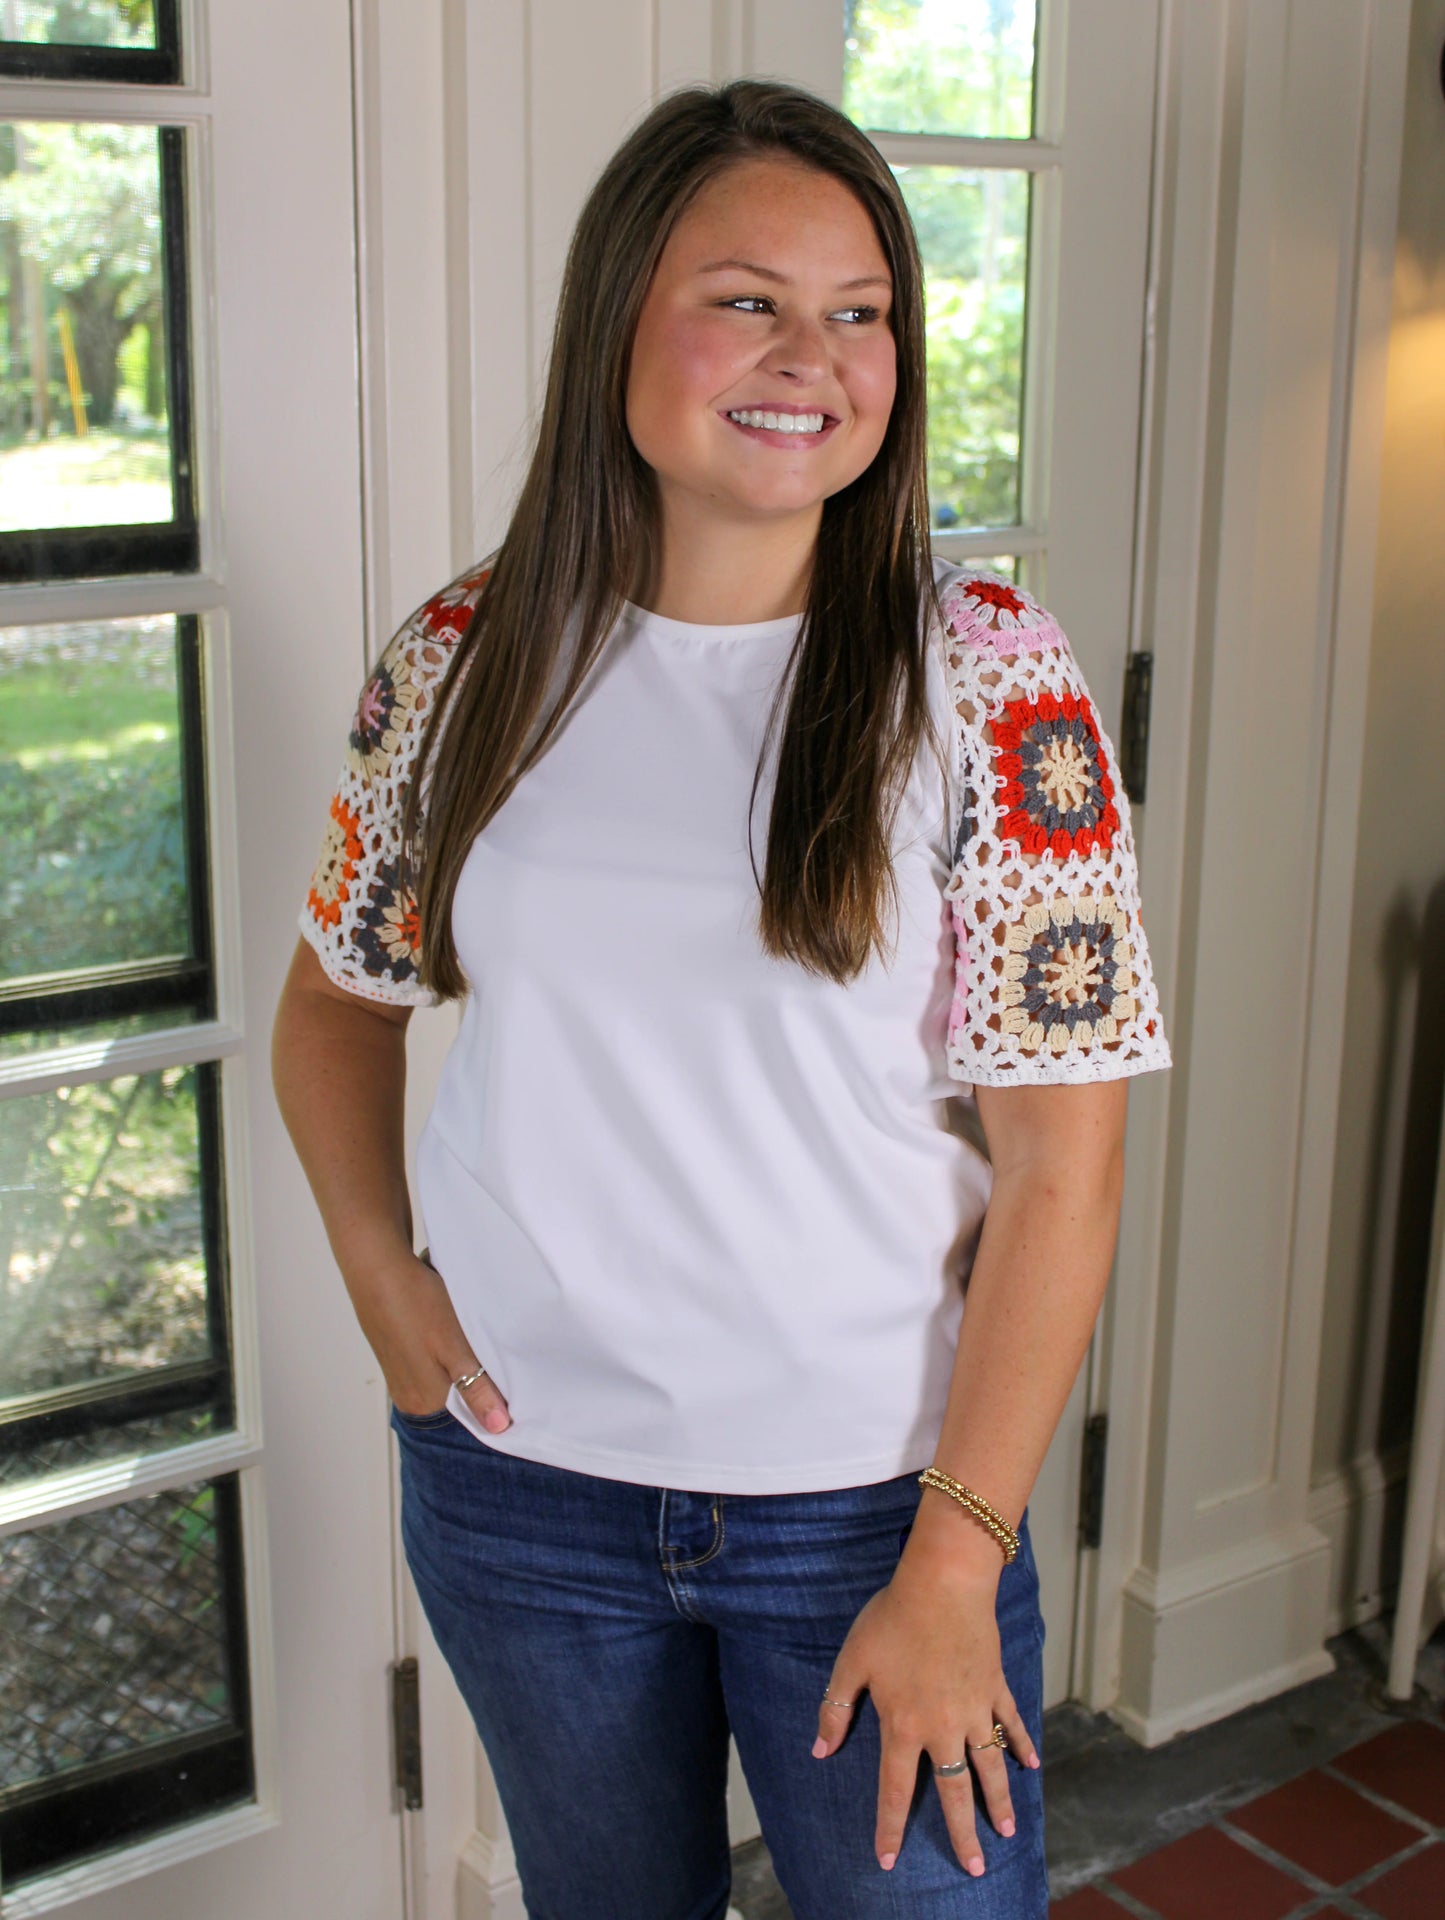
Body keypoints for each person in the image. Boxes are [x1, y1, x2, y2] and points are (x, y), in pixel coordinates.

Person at [272, 78, 1170, 1920]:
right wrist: (385, 1287)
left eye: (860, 313)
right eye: (746, 298)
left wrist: (955, 1557)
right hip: (526, 1490)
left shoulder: (989, 676)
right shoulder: (460, 659)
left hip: (878, 1510)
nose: (812, 356)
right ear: (620, 317)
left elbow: (1064, 1174)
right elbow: (333, 1004)